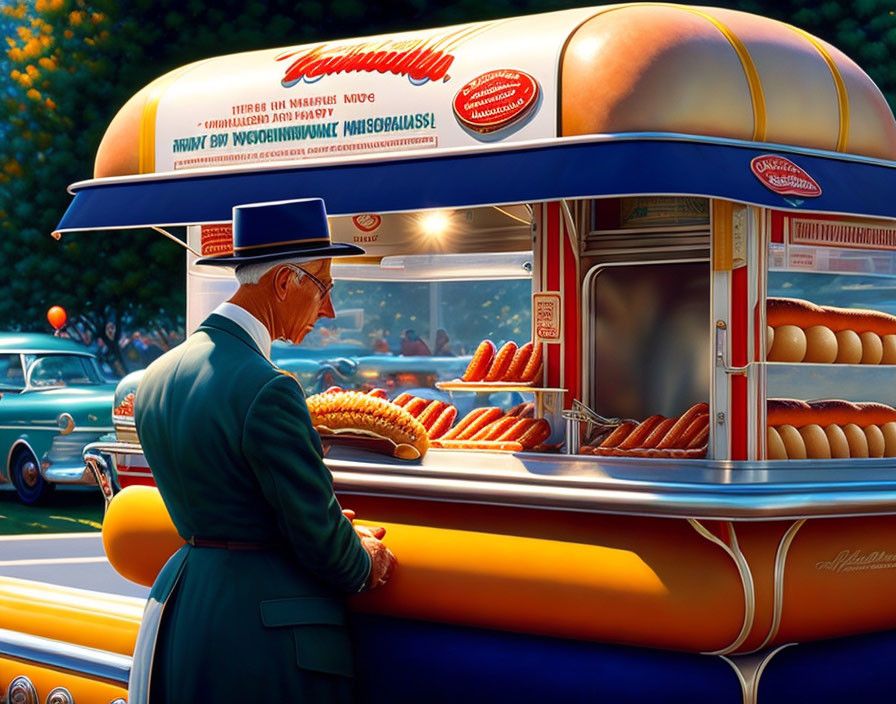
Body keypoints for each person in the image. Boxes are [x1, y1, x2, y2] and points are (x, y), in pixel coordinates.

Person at [132, 198, 396, 704]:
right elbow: (321, 541)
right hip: (262, 637)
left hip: (185, 613)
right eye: (325, 288)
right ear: (283, 283)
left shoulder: (156, 376)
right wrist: (365, 558)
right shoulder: (268, 387)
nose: (330, 309)